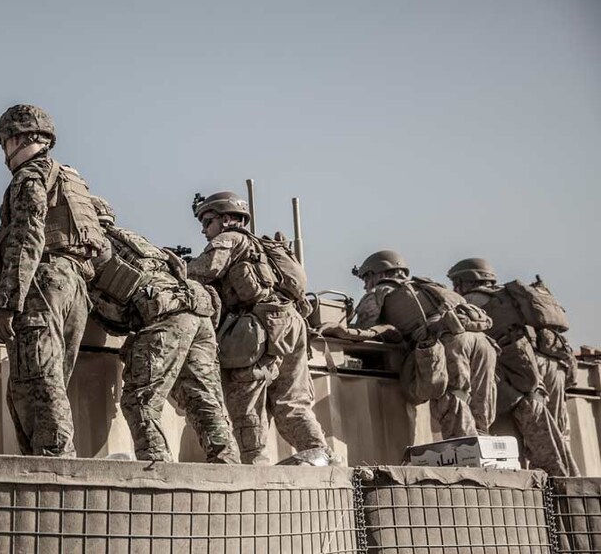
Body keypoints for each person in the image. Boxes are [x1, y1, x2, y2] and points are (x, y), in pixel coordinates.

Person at [0, 104, 107, 457]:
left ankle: (55, 466)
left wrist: (8, 302)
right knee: (49, 380)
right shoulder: (71, 178)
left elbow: (27, 237)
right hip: (75, 284)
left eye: (6, 142)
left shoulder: (29, 177)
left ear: (19, 138)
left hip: (42, 282)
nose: (4, 152)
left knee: (37, 383)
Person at [88, 196, 238, 463]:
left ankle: (158, 467)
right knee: (202, 399)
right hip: (199, 314)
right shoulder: (134, 240)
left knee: (140, 399)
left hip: (166, 316)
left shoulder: (94, 243)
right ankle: (228, 467)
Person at [188, 191, 331, 465]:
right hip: (291, 323)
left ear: (227, 219)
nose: (204, 230)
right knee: (292, 402)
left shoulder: (229, 239)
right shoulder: (265, 247)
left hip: (258, 328)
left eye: (207, 222)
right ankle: (320, 455)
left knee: (247, 402)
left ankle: (256, 467)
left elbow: (200, 272)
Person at [331, 251, 497, 440]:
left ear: (376, 274)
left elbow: (365, 330)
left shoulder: (381, 291)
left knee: (453, 395)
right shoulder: (430, 287)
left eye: (366, 278)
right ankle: (486, 449)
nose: (365, 285)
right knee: (479, 399)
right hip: (481, 341)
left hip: (449, 342)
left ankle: (465, 451)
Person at [447, 258, 577, 475]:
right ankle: (569, 484)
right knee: (559, 438)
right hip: (548, 373)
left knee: (542, 446)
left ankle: (559, 486)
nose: (455, 288)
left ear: (465, 281)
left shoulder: (473, 302)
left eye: (456, 283)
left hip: (521, 381)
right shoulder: (510, 299)